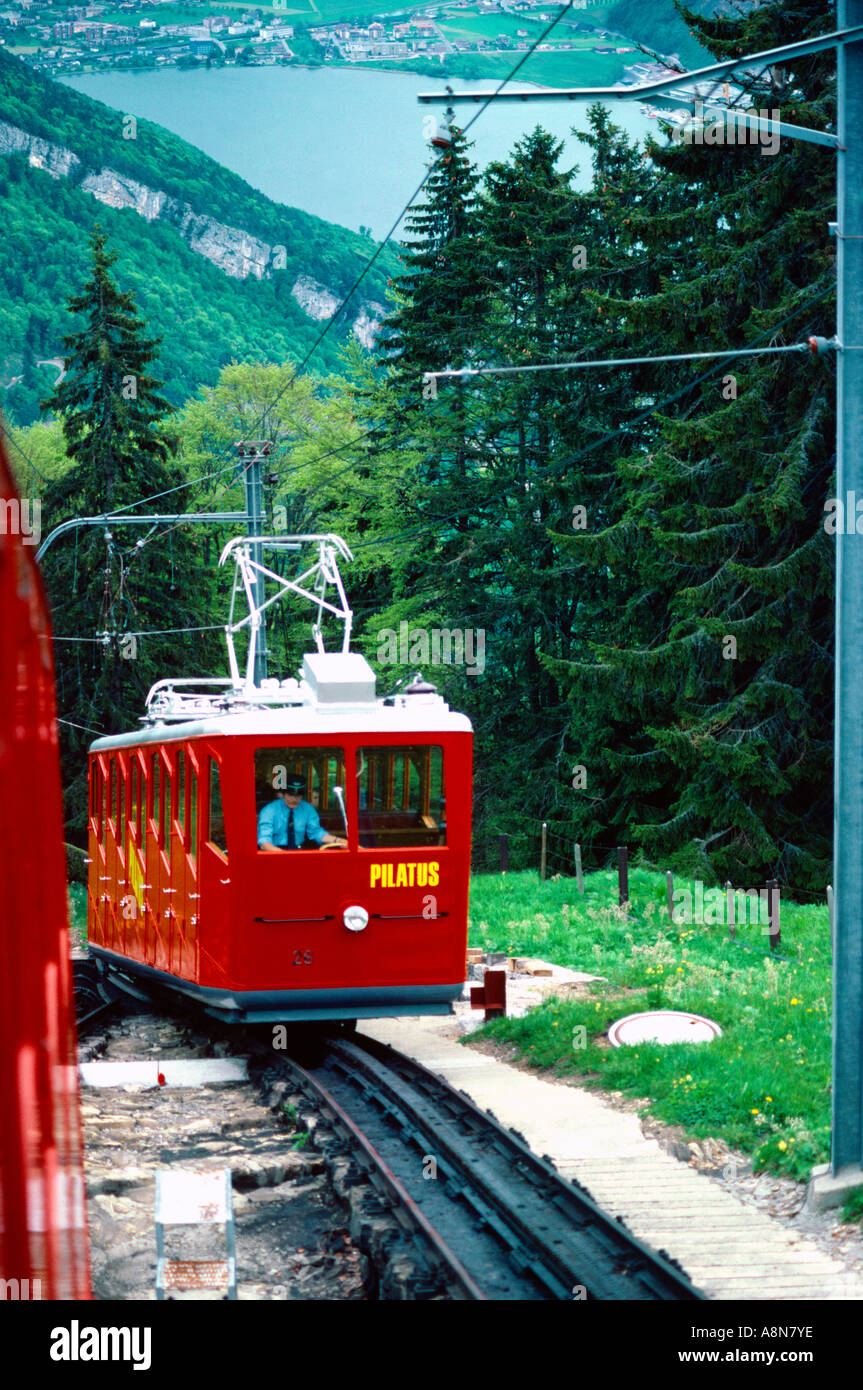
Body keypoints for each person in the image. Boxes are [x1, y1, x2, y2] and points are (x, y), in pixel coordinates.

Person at [258, 775, 346, 852]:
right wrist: (283, 855)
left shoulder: (307, 809)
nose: (294, 799)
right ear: (282, 794)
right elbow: (264, 841)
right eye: (290, 795)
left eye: (298, 795)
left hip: (299, 851)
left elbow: (316, 832)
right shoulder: (269, 811)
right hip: (274, 851)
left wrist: (338, 840)